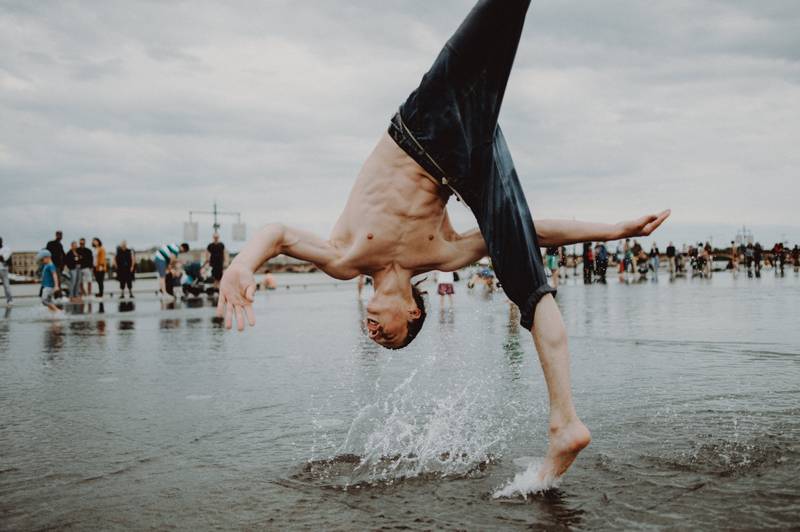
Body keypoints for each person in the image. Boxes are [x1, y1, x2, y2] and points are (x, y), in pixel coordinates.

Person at [217, 0, 670, 486]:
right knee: (526, 279)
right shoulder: (443, 254)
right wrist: (616, 230)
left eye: (377, 337)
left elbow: (279, 235)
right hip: (459, 149)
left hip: (428, 127)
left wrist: (242, 264)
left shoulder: (345, 260)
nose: (374, 333)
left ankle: (564, 424)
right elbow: (532, 230)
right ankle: (566, 422)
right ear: (412, 314)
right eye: (388, 336)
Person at [0, 237, 12, 304]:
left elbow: (3, 258)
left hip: (3, 269)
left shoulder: (6, 249)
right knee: (6, 286)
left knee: (6, 286)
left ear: (1, 242)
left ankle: (9, 300)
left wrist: (2, 257)